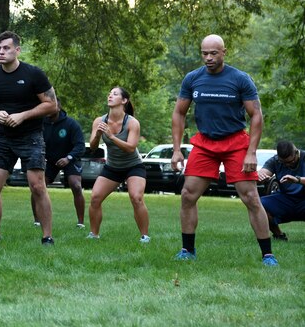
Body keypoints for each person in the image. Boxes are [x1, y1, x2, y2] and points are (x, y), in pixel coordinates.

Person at [170, 34, 278, 266]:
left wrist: (251, 152)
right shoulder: (192, 79)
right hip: (205, 143)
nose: (208, 58)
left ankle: (268, 254)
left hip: (235, 143)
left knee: (250, 197)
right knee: (188, 195)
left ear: (224, 52)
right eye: (204, 53)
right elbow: (179, 112)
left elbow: (256, 115)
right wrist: (177, 149)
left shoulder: (240, 79)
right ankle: (188, 250)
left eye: (213, 53)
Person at [0, 31, 58, 245]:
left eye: (6, 48)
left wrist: (23, 115)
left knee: (37, 186)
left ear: (17, 50)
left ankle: (47, 236)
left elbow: (52, 105)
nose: (1, 52)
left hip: (31, 136)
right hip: (4, 138)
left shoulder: (34, 74)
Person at [86, 87, 150, 242]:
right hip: (113, 167)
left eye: (115, 94)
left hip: (133, 166)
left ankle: (145, 237)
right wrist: (98, 136)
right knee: (95, 198)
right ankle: (94, 235)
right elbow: (93, 147)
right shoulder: (99, 121)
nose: (110, 95)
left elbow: (131, 148)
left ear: (124, 101)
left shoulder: (132, 122)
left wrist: (111, 136)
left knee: (136, 198)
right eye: (109, 93)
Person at [32, 100, 85, 228]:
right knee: (36, 186)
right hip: (50, 160)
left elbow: (80, 146)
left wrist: (68, 157)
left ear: (58, 107)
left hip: (70, 158)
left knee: (76, 185)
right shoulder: (41, 123)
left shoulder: (71, 124)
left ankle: (80, 222)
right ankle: (37, 220)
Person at [257, 140, 305, 241]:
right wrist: (261, 176)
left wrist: (297, 179)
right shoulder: (275, 161)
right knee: (258, 204)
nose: (287, 165)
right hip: (285, 199)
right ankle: (279, 235)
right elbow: (263, 172)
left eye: (291, 161)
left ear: (296, 152)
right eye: (284, 162)